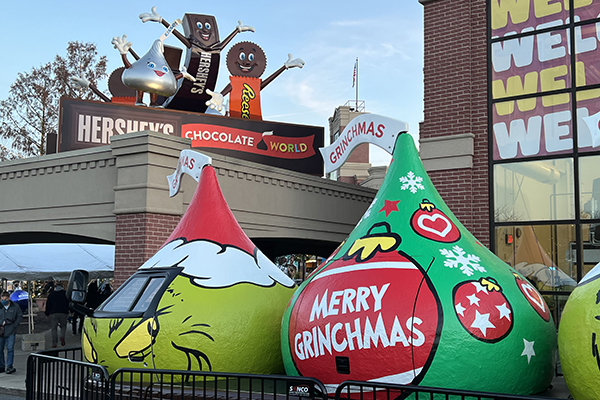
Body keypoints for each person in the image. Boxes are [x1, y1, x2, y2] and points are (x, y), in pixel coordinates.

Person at [0, 291, 23, 374]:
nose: (3, 301)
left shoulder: (15, 307)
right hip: (1, 331)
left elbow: (19, 316)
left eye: (5, 299)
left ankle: (9, 366)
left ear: (9, 298)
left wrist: (14, 325)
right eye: (2, 300)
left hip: (11, 331)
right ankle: (1, 366)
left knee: (10, 349)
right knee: (0, 349)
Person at [45, 282, 69, 347]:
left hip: (53, 313)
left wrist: (47, 313)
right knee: (63, 326)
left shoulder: (51, 294)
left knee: (54, 328)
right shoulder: (65, 293)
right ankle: (62, 336)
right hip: (63, 312)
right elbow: (68, 302)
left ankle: (54, 343)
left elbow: (48, 304)